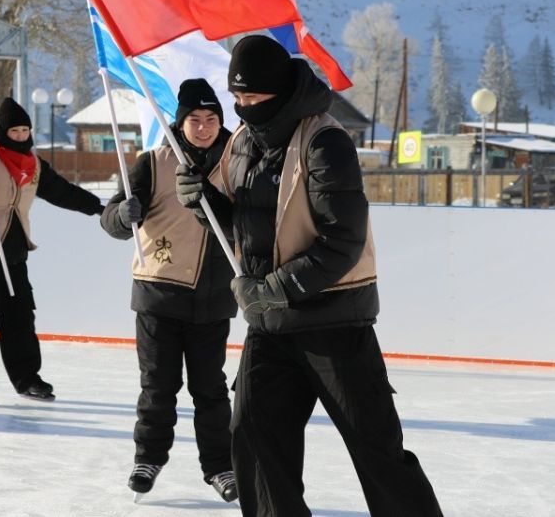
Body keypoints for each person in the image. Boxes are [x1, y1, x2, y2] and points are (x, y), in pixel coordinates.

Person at [176, 36, 442, 516]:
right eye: (237, 98)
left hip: (334, 322)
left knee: (376, 451)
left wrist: (275, 289)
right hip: (271, 325)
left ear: (279, 92)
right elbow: (241, 224)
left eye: (253, 97)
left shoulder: (324, 141)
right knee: (254, 439)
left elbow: (343, 241)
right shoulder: (241, 142)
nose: (243, 107)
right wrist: (203, 202)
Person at [99, 79, 239, 502]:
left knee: (211, 390)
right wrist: (122, 216)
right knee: (158, 387)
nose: (204, 127)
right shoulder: (153, 163)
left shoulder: (237, 161)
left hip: (213, 297)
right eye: (195, 120)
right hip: (158, 292)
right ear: (179, 124)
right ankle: (148, 459)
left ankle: (220, 466)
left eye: (211, 119)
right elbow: (110, 219)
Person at [0, 97, 104, 405]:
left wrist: (99, 208)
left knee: (20, 314)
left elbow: (61, 191)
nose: (20, 136)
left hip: (13, 245)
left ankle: (27, 379)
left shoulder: (33, 164)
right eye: (14, 131)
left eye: (24, 130)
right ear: (1, 132)